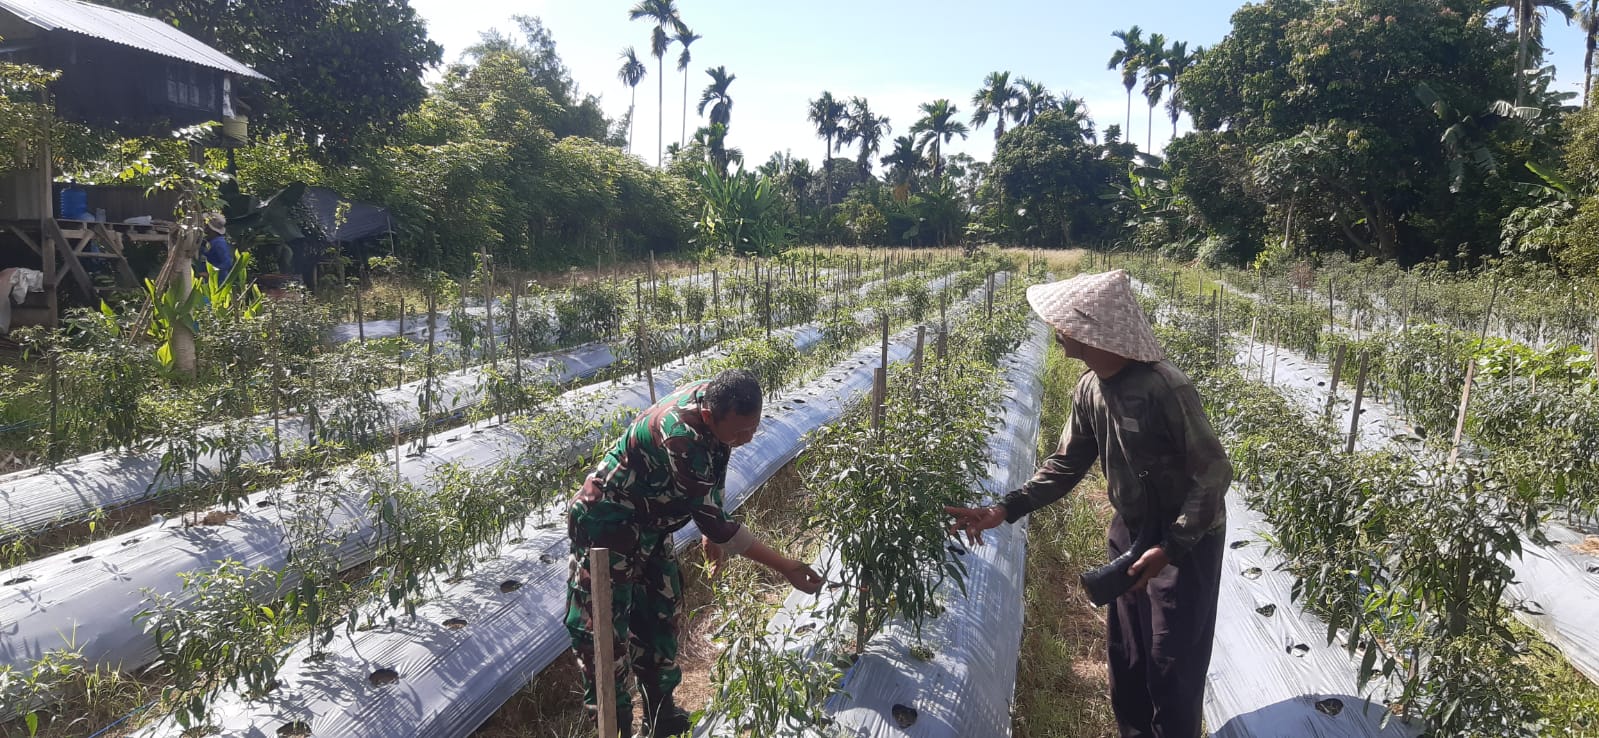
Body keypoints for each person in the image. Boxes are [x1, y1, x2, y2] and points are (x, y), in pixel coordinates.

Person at [945, 269, 1231, 738]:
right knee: (1128, 654)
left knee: (1171, 662)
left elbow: (1214, 472)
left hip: (1186, 539)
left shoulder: (1164, 388)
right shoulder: (1090, 388)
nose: (1056, 331)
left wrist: (1171, 547)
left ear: (1089, 329)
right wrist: (1004, 509)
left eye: (1064, 324)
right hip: (1132, 529)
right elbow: (1065, 464)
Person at [565, 368, 824, 738]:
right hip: (606, 526)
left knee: (661, 612)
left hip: (650, 525)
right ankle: (616, 727)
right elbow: (718, 524)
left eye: (752, 428)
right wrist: (786, 567)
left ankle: (660, 717)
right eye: (739, 432)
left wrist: (710, 529)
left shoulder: (719, 401)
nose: (747, 439)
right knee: (605, 637)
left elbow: (713, 472)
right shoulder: (681, 435)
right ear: (708, 415)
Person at [199, 212, 234, 278]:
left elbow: (227, 263)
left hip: (217, 280)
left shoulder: (219, 243)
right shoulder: (210, 241)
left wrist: (209, 273)